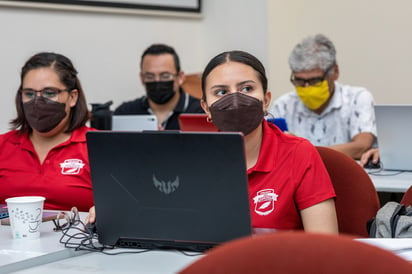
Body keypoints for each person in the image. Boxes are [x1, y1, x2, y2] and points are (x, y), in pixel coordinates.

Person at [87, 50, 338, 234]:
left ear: (266, 99)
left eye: (247, 88)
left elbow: (325, 246)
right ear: (206, 108)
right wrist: (114, 210)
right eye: (221, 92)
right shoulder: (188, 159)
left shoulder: (299, 153)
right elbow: (162, 224)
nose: (235, 99)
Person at [0, 52, 94, 212]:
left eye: (49, 93)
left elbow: (126, 205)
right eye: (29, 93)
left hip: (77, 236)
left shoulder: (98, 147)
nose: (38, 101)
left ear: (72, 97)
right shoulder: (3, 145)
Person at [269, 34, 376, 160]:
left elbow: (361, 146)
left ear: (335, 72)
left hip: (342, 177)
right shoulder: (283, 105)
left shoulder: (357, 98)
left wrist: (301, 150)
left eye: (315, 81)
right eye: (299, 80)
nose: (307, 87)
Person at [114, 43, 204, 130]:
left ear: (180, 77)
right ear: (142, 78)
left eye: (165, 76)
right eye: (150, 76)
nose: (157, 81)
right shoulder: (125, 114)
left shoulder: (201, 113)